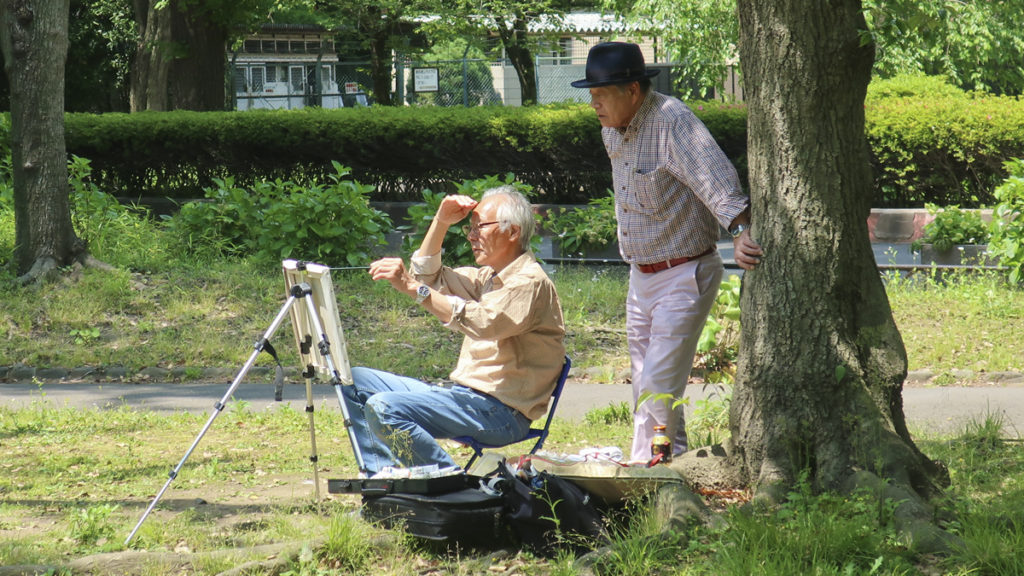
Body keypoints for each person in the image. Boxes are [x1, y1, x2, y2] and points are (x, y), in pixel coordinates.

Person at [571, 42, 763, 462]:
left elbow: (716, 178)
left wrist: (741, 229)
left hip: (685, 273)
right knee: (644, 384)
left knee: (658, 384)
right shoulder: (611, 131)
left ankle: (641, 474)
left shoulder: (672, 121)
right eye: (591, 95)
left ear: (633, 91)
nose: (594, 104)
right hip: (640, 276)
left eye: (601, 94)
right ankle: (670, 469)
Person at [342, 186, 566, 475]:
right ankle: (381, 479)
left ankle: (450, 484)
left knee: (385, 408)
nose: (472, 236)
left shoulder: (528, 282)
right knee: (353, 379)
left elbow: (483, 323)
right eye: (469, 229)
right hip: (465, 399)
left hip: (500, 414)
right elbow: (429, 275)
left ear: (513, 232)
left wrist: (413, 288)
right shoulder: (489, 276)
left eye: (479, 228)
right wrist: (441, 221)